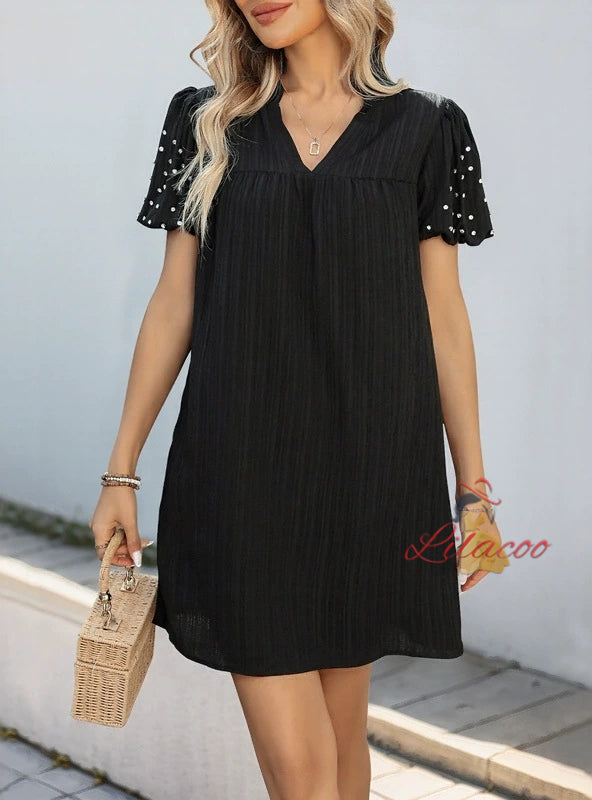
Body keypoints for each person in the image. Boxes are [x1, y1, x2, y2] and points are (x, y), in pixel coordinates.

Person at [89, 0, 505, 796]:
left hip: (371, 479)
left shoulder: (427, 128)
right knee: (304, 774)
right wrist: (121, 471)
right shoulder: (206, 121)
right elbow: (174, 302)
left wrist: (473, 490)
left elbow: (444, 318)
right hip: (239, 474)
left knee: (344, 751)